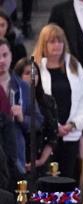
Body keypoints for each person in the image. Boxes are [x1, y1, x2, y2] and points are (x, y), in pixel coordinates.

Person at [33, 23, 83, 181]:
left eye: (60, 41)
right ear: (43, 44)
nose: (57, 45)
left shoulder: (73, 64)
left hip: (70, 134)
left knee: (68, 181)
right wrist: (54, 126)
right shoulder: (36, 67)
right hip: (46, 137)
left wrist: (73, 124)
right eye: (52, 41)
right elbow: (34, 100)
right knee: (48, 183)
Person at [0, 38, 39, 179]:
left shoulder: (23, 87)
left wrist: (22, 118)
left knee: (18, 199)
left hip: (16, 158)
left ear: (11, 55)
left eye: (5, 55)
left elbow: (38, 121)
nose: (1, 61)